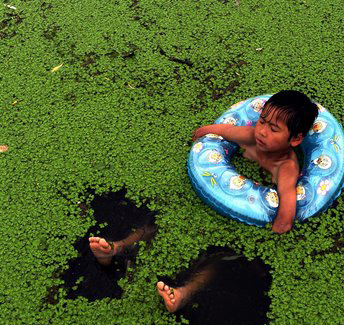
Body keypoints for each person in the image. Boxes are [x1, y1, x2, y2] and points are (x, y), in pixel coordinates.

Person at [191, 90, 319, 234]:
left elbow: (287, 204)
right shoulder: (252, 136)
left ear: (295, 139)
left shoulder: (286, 167)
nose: (262, 131)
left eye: (273, 129)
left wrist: (278, 229)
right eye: (262, 121)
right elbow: (227, 130)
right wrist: (203, 131)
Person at [89, 224, 215, 313]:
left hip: (208, 231)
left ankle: (184, 293)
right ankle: (117, 247)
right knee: (152, 227)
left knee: (214, 262)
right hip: (176, 222)